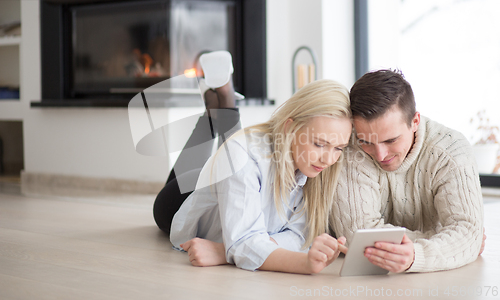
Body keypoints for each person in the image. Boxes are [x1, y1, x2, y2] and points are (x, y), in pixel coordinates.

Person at [153, 77, 352, 274]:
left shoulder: (317, 167)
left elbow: (299, 236)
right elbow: (243, 243)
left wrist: (225, 251)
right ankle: (217, 107)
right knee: (233, 154)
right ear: (290, 128)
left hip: (225, 178)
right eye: (319, 144)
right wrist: (303, 263)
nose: (328, 159)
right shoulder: (244, 155)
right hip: (180, 198)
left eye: (339, 148)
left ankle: (212, 108)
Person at [330, 69, 484, 273]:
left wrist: (416, 256)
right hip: (359, 278)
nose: (380, 154)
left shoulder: (451, 151)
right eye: (366, 141)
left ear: (415, 122)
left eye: (391, 140)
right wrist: (449, 242)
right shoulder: (351, 148)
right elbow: (358, 236)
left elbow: (468, 232)